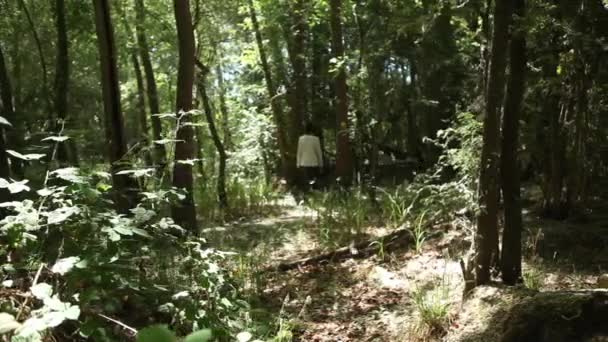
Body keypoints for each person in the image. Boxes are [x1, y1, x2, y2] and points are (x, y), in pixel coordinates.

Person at [297, 123, 323, 192]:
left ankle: (307, 193)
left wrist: (298, 164)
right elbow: (319, 153)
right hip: (314, 163)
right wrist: (321, 164)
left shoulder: (301, 139)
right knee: (313, 180)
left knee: (307, 180)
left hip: (304, 163)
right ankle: (313, 193)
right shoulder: (315, 139)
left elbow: (299, 152)